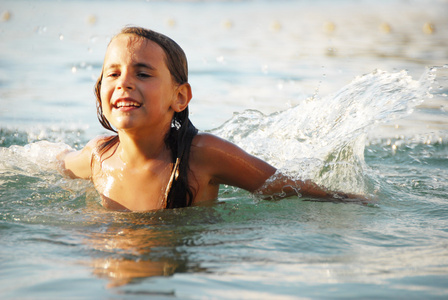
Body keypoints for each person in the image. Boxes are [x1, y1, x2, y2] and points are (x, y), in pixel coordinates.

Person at [59, 26, 364, 212]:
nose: (123, 82)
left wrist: (354, 201)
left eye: (142, 73)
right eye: (113, 73)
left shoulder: (203, 155)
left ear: (180, 97)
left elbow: (285, 187)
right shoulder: (98, 156)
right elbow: (56, 162)